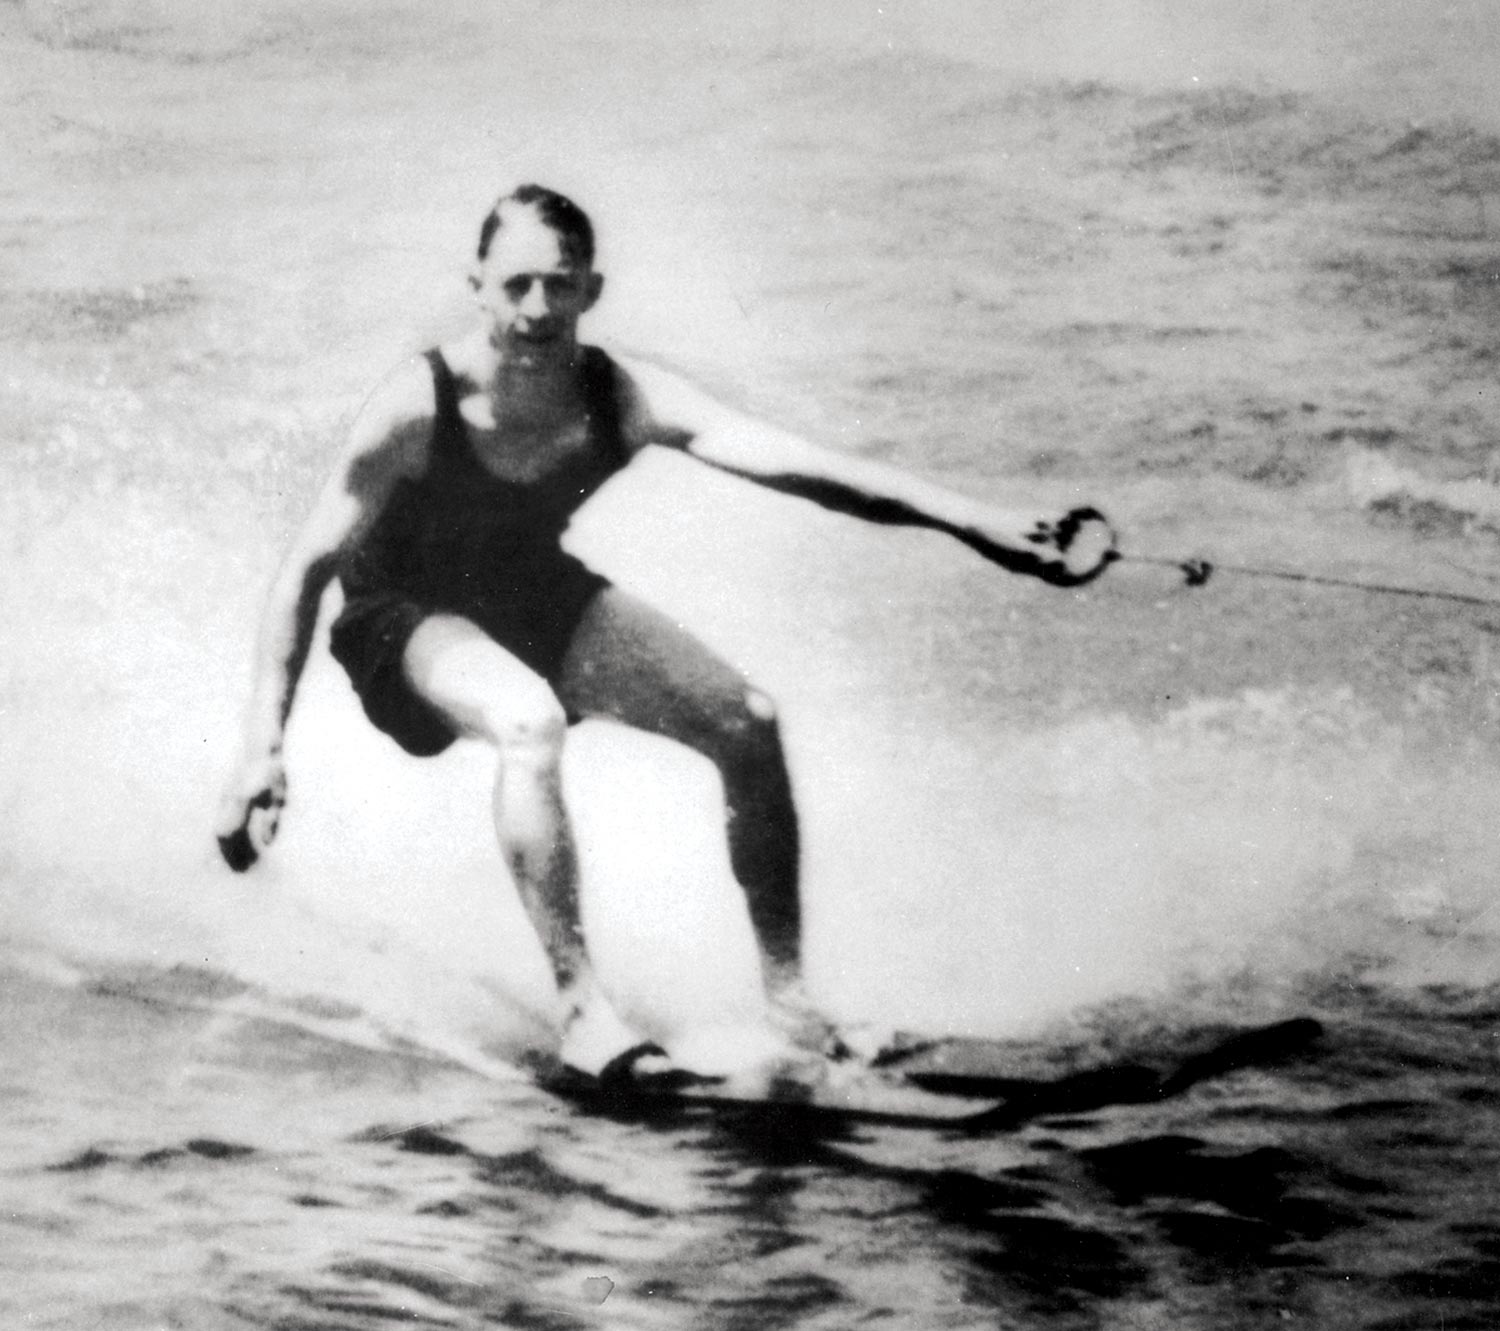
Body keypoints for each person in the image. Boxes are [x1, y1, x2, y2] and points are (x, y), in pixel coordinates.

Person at [215, 183, 1117, 1075]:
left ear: (591, 292)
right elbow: (304, 572)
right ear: (478, 286)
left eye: (560, 286)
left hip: (531, 594)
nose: (538, 311)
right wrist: (263, 747)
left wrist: (977, 520)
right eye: (518, 285)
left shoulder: (621, 396)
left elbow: (805, 467)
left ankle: (794, 1009)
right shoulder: (417, 407)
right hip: (399, 618)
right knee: (530, 722)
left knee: (746, 720)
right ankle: (582, 1013)